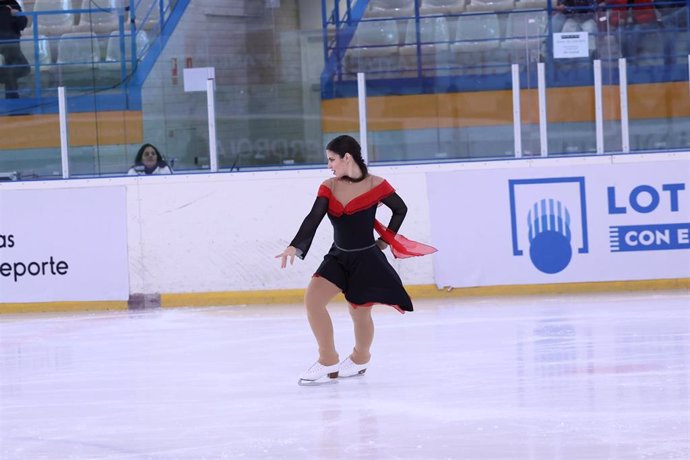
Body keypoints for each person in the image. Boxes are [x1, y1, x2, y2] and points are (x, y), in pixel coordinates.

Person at [276, 135, 436, 385]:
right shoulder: (329, 186)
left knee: (359, 314)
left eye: (332, 160)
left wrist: (385, 241)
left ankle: (360, 358)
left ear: (346, 158)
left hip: (366, 259)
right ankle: (328, 359)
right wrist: (295, 246)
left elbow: (400, 209)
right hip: (338, 256)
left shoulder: (376, 184)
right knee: (313, 300)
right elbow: (313, 217)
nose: (329, 165)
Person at [0, 0, 30, 99]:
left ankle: (12, 97)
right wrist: (10, 13)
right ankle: (12, 97)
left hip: (12, 43)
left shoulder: (12, 3)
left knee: (19, 68)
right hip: (7, 43)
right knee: (22, 67)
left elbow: (23, 24)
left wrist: (16, 15)